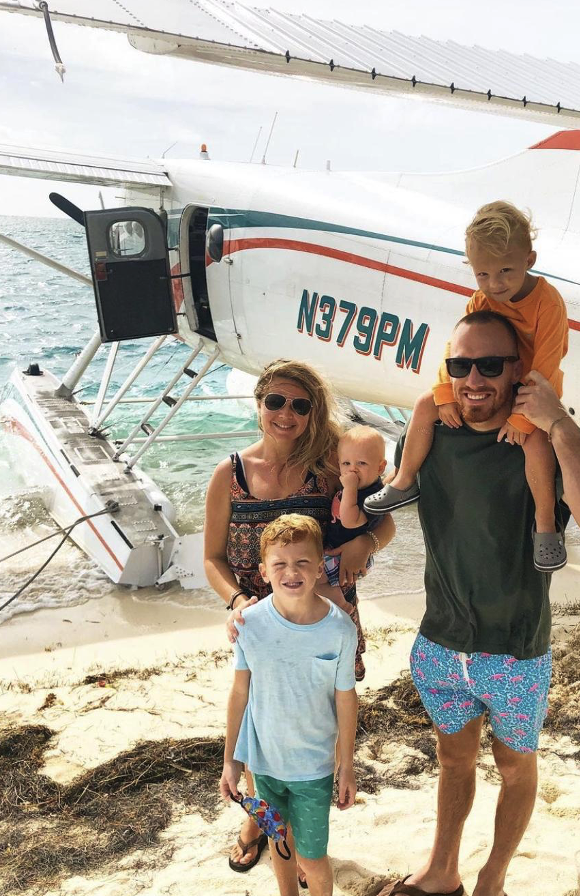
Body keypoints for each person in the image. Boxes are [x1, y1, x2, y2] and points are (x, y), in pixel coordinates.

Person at [379, 310, 580, 896]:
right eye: (461, 365)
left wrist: (558, 422)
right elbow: (380, 493)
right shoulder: (433, 430)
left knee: (515, 769)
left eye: (491, 365)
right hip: (440, 644)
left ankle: (492, 880)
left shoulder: (541, 440)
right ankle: (443, 872)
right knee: (454, 762)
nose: (474, 380)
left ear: (520, 372)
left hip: (513, 652)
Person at [204, 359, 395, 872]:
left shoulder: (330, 469)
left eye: (300, 405)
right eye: (275, 401)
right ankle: (259, 819)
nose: (285, 413)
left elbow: (385, 519)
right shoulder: (230, 473)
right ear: (259, 404)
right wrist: (236, 600)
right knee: (257, 713)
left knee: (321, 711)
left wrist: (367, 545)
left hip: (323, 617)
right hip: (260, 624)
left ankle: (311, 805)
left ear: (313, 414)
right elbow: (212, 558)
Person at [366, 201, 570, 572]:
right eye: (483, 275)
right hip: (488, 383)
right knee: (425, 403)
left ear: (531, 259)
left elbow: (547, 364)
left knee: (538, 439)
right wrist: (445, 393)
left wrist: (523, 419)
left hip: (531, 387)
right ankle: (405, 479)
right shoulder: (482, 299)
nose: (495, 284)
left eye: (506, 270)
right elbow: (458, 347)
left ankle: (545, 524)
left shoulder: (548, 303)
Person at [219, 513, 358, 896]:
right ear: (263, 571)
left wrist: (346, 766)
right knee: (280, 843)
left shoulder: (341, 630)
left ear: (318, 569)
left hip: (313, 768)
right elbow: (239, 694)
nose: (290, 572)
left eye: (301, 563)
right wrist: (230, 760)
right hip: (263, 766)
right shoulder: (247, 623)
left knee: (312, 858)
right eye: (279, 564)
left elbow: (346, 698)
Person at [320, 425, 387, 620]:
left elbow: (350, 521)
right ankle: (346, 600)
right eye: (346, 463)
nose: (352, 470)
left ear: (380, 467)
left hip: (347, 555)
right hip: (340, 548)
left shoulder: (373, 495)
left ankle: (341, 602)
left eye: (362, 463)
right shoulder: (363, 486)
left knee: (316, 576)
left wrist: (349, 488)